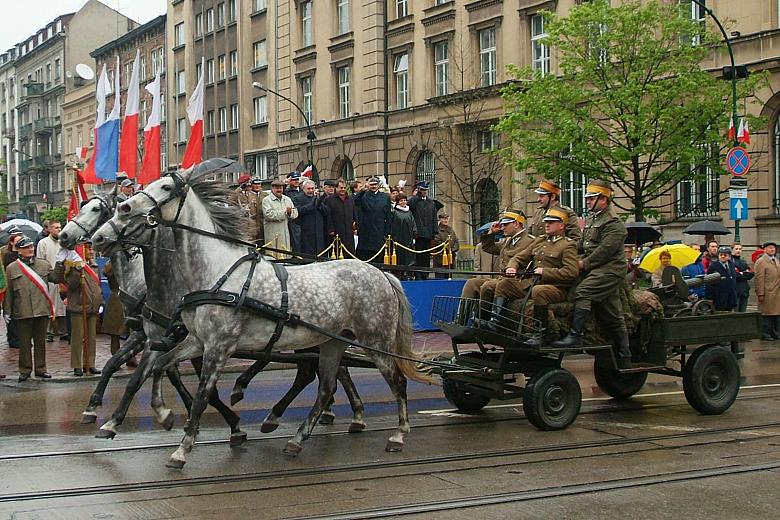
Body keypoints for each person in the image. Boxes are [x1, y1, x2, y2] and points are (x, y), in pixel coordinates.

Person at [553, 180, 632, 370]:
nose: (588, 201)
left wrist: (583, 263)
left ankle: (576, 336)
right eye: (587, 198)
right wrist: (564, 251)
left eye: (592, 198)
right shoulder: (593, 219)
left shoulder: (613, 222)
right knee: (612, 313)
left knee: (583, 292)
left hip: (610, 269)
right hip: (596, 268)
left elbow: (604, 251)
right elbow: (583, 245)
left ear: (604, 199)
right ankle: (624, 355)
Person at [495, 208, 579, 343]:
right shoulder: (540, 241)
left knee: (539, 291)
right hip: (533, 284)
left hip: (555, 288)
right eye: (546, 221)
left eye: (551, 222)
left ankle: (540, 334)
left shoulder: (567, 245)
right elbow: (520, 257)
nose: (547, 224)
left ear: (561, 225)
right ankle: (496, 323)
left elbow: (571, 272)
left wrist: (545, 272)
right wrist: (513, 266)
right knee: (504, 284)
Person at [465, 209, 536, 326]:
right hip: (502, 279)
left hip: (517, 281)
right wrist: (491, 232)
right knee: (472, 283)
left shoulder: (529, 241)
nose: (502, 228)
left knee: (488, 286)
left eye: (506, 224)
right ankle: (461, 319)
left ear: (516, 224)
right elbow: (488, 248)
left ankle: (484, 321)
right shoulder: (508, 241)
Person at [3, 236, 60, 381]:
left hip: (41, 309)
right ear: (19, 250)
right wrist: (7, 311)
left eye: (31, 247)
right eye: (26, 248)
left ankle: (41, 369)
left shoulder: (43, 265)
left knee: (40, 342)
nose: (30, 250)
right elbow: (9, 292)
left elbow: (57, 278)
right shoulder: (12, 268)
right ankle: (25, 369)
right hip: (22, 310)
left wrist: (61, 262)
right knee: (24, 343)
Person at [53, 243, 104, 376]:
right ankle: (77, 365)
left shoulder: (94, 265)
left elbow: (96, 285)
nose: (91, 252)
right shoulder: (73, 265)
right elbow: (71, 284)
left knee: (91, 338)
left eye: (92, 248)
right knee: (78, 337)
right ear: (81, 251)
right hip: (79, 305)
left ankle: (90, 363)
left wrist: (100, 301)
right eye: (88, 249)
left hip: (92, 306)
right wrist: (76, 270)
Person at [35, 220, 68, 341]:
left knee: (62, 305)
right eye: (56, 227)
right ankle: (48, 332)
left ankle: (63, 330)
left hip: (62, 278)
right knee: (50, 304)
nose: (59, 229)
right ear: (49, 229)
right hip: (49, 278)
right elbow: (40, 261)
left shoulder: (63, 243)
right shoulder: (43, 243)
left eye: (60, 227)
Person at [101, 259, 136, 368]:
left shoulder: (130, 260)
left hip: (129, 296)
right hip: (117, 297)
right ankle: (116, 357)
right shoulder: (111, 263)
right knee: (115, 332)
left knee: (131, 330)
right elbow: (107, 272)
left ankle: (130, 356)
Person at [408, 181, 442, 279]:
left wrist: (434, 231)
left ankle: (425, 273)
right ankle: (418, 274)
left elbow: (433, 217)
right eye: (422, 190)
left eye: (425, 190)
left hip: (428, 233)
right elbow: (410, 212)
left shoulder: (430, 202)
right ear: (419, 190)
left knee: (426, 255)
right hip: (418, 234)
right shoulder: (414, 200)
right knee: (418, 255)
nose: (424, 192)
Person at [354, 176, 392, 261]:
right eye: (371, 185)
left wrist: (387, 231)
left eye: (375, 184)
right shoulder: (363, 196)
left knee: (379, 257)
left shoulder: (385, 197)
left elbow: (388, 216)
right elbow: (354, 201)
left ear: (378, 185)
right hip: (366, 232)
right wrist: (362, 190)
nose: (373, 186)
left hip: (379, 231)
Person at [262, 178, 299, 256]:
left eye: (280, 188)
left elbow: (295, 213)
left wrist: (290, 213)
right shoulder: (267, 200)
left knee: (285, 254)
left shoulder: (287, 199)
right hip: (272, 234)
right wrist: (285, 212)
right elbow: (268, 215)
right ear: (272, 189)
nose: (279, 190)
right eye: (277, 188)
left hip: (285, 233)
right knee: (273, 256)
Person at [754, 240, 780, 340]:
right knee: (766, 314)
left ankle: (773, 332)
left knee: (775, 314)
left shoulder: (776, 260)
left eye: (773, 248)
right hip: (767, 292)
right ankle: (764, 333)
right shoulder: (761, 261)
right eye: (770, 247)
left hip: (776, 292)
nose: (772, 249)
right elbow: (759, 278)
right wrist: (760, 293)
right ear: (765, 249)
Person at [324, 179, 357, 257]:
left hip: (349, 232)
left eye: (344, 188)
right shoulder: (329, 200)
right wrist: (330, 229)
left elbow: (354, 213)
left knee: (350, 253)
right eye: (341, 188)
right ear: (336, 188)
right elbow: (328, 216)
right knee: (337, 254)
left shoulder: (350, 199)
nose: (343, 190)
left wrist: (355, 225)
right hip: (336, 233)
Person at [296, 179, 329, 255]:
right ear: (303, 189)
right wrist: (312, 204)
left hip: (319, 231)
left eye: (312, 188)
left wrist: (318, 202)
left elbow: (326, 211)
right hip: (306, 231)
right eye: (309, 189)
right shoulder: (298, 198)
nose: (311, 190)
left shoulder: (317, 198)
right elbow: (299, 211)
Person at [390, 193, 417, 279]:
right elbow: (392, 225)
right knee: (398, 257)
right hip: (398, 239)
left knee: (409, 257)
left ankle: (408, 273)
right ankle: (398, 274)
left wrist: (414, 234)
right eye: (401, 200)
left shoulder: (409, 212)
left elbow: (413, 223)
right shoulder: (395, 212)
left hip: (408, 238)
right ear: (398, 202)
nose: (403, 202)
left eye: (405, 200)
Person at [705, 246, 738, 312]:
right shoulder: (713, 266)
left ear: (729, 256)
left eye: (725, 255)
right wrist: (709, 297)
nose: (723, 256)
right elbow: (709, 283)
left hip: (730, 298)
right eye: (721, 255)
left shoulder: (731, 265)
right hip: (718, 297)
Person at [433, 213, 460, 278]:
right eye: (444, 219)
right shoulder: (437, 230)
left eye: (447, 219)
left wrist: (453, 249)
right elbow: (438, 242)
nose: (446, 220)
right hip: (441, 260)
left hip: (450, 259)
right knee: (440, 280)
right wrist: (449, 249)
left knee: (449, 278)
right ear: (440, 219)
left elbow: (456, 241)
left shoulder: (451, 230)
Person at [732, 243, 753, 313]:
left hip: (744, 291)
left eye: (740, 249)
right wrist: (744, 273)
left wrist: (742, 273)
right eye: (736, 249)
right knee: (736, 313)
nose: (738, 251)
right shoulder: (731, 262)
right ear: (732, 250)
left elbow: (751, 273)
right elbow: (736, 275)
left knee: (743, 312)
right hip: (736, 291)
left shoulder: (743, 262)